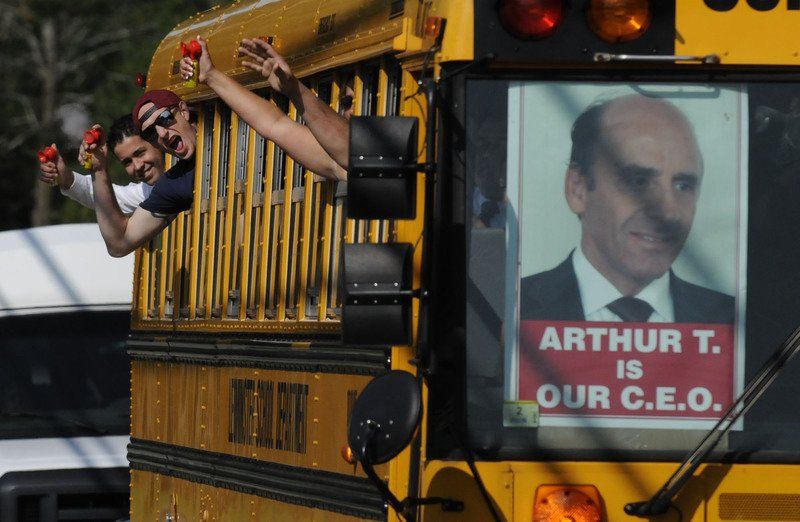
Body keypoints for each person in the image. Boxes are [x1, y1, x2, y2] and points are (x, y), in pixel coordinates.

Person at [520, 94, 734, 324]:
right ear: (578, 189)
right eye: (639, 182)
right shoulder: (513, 308)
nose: (667, 212)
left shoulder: (733, 322)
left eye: (683, 186)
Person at [179, 36, 348, 180]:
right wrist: (211, 76)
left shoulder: (366, 159)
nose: (351, 111)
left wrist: (296, 91)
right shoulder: (344, 163)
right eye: (346, 104)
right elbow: (275, 124)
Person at [84, 89, 196, 257]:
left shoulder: (234, 127)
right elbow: (119, 243)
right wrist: (98, 170)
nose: (162, 133)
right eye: (151, 133)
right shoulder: (175, 182)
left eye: (165, 118)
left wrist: (211, 75)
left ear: (184, 111)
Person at [38, 115, 165, 215]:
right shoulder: (147, 191)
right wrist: (66, 177)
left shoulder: (184, 162)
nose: (137, 166)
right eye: (127, 162)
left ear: (155, 141)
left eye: (140, 153)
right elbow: (109, 198)